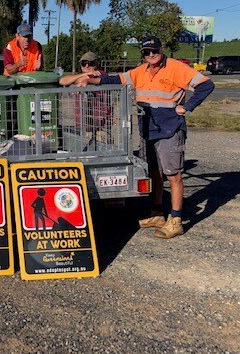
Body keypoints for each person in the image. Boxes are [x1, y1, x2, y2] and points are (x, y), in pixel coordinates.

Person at [76, 36, 214, 239]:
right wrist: (90, 80)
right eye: (146, 52)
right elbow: (114, 80)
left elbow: (206, 85)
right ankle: (157, 213)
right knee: (155, 172)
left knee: (172, 174)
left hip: (170, 129)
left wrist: (187, 106)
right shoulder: (140, 71)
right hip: (147, 128)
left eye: (154, 51)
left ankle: (176, 220)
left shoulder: (176, 68)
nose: (151, 55)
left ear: (161, 49)